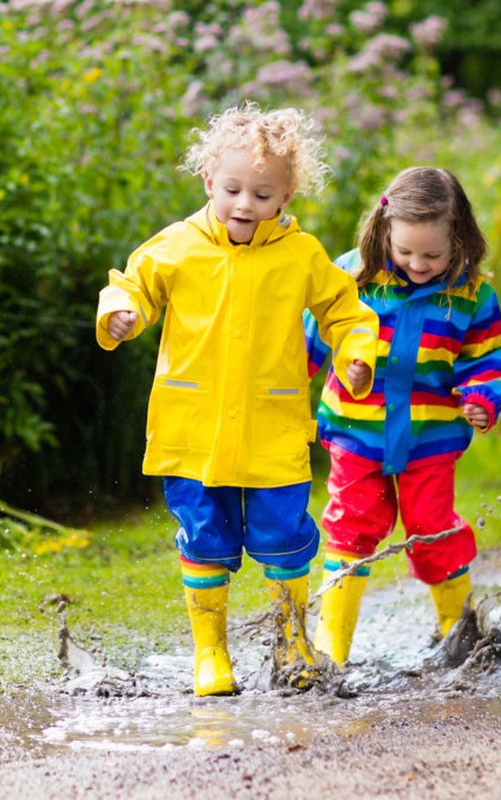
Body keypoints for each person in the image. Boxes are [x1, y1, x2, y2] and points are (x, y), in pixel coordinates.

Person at [96, 102, 379, 695]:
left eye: (262, 193)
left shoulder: (301, 255)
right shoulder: (176, 246)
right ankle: (211, 654)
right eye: (232, 190)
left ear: (286, 196)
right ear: (208, 182)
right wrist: (121, 314)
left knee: (283, 537)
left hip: (271, 428)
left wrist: (357, 355)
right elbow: (133, 285)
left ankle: (292, 643)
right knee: (204, 538)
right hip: (192, 430)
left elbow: (346, 312)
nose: (245, 204)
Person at [305, 166, 501, 666]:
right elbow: (308, 340)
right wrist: (289, 387)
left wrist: (482, 399)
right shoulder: (353, 277)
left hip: (430, 438)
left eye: (433, 254)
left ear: (459, 238)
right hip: (357, 434)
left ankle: (459, 635)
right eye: (405, 252)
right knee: (351, 527)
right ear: (384, 231)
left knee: (432, 529)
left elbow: (489, 359)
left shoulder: (470, 296)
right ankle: (331, 647)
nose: (418, 264)